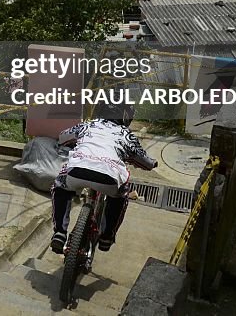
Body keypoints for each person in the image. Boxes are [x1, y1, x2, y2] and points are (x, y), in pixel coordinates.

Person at [50, 102, 157, 255]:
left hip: (77, 172)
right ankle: (107, 237)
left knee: (60, 187)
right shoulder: (127, 135)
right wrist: (153, 164)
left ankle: (60, 233)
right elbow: (145, 162)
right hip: (109, 179)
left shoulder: (87, 125)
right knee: (120, 196)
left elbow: (62, 137)